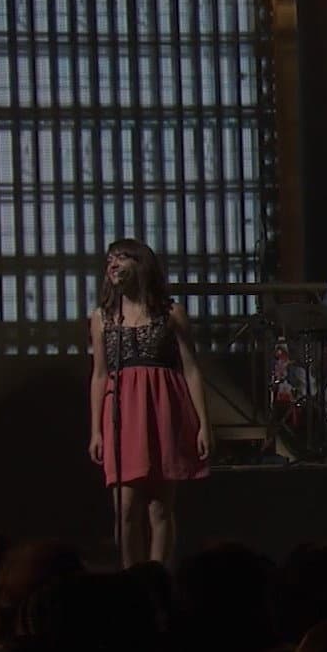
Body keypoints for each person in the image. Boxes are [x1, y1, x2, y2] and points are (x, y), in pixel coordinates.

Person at [90, 238, 212, 568]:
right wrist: (96, 432)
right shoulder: (102, 318)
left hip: (163, 409)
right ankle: (132, 578)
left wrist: (203, 424)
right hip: (123, 412)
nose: (113, 264)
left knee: (160, 507)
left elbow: (191, 370)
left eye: (122, 258)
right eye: (110, 259)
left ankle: (159, 576)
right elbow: (99, 375)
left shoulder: (171, 314)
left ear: (141, 264)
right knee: (126, 507)